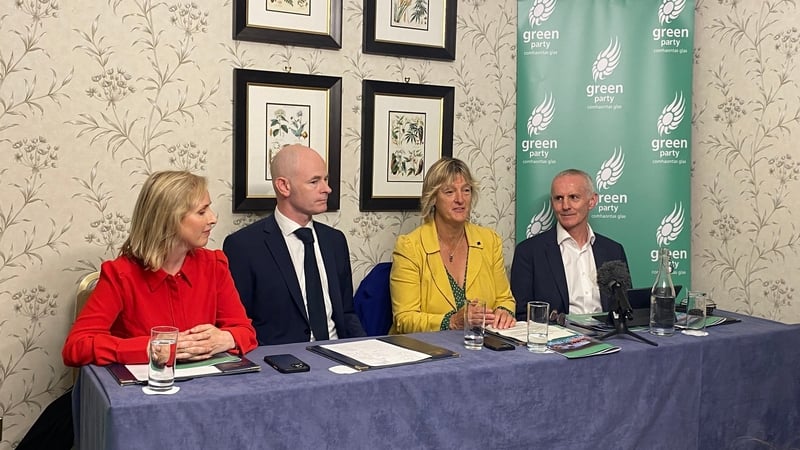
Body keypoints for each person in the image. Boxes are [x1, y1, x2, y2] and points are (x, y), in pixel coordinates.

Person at [62, 171, 258, 366]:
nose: (213, 218)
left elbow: (245, 331)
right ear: (169, 219)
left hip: (205, 388)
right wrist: (149, 348)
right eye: (201, 212)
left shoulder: (214, 265)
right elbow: (76, 347)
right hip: (146, 391)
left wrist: (227, 338)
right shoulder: (121, 275)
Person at [223, 144, 365, 345]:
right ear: (284, 186)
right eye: (314, 181)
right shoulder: (244, 246)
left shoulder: (334, 241)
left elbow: (346, 312)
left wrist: (365, 351)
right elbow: (239, 324)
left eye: (325, 179)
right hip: (280, 363)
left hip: (338, 355)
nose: (327, 189)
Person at [390, 157, 516, 333]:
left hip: (481, 346)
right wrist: (451, 321)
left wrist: (504, 311)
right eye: (449, 192)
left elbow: (505, 298)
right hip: (428, 350)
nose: (460, 199)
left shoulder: (489, 241)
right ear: (433, 198)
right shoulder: (410, 247)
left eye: (466, 190)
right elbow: (404, 319)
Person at [510, 168, 630, 320]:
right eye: (559, 198)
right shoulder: (529, 252)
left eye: (574, 197)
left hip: (609, 337)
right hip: (557, 340)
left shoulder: (613, 250)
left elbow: (625, 306)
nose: (565, 206)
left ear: (592, 201)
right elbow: (522, 314)